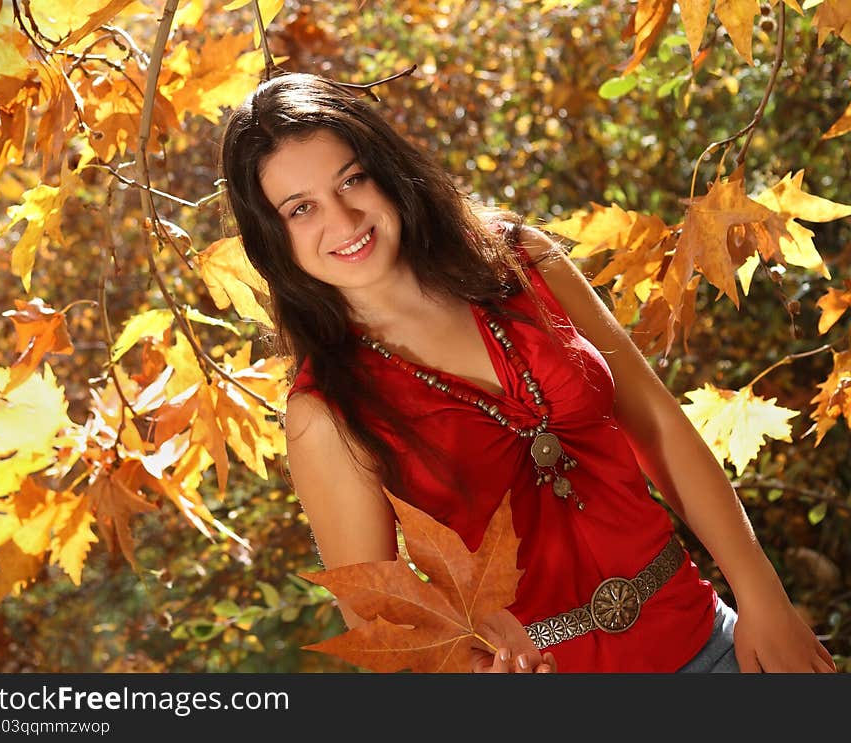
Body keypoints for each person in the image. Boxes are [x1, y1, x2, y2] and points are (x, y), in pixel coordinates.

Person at [220, 72, 837, 674]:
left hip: (713, 638)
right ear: (272, 239)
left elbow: (659, 427)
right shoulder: (324, 409)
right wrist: (471, 664)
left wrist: (763, 596)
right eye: (301, 209)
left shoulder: (522, 262)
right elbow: (377, 612)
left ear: (385, 172)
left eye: (351, 180)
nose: (344, 218)